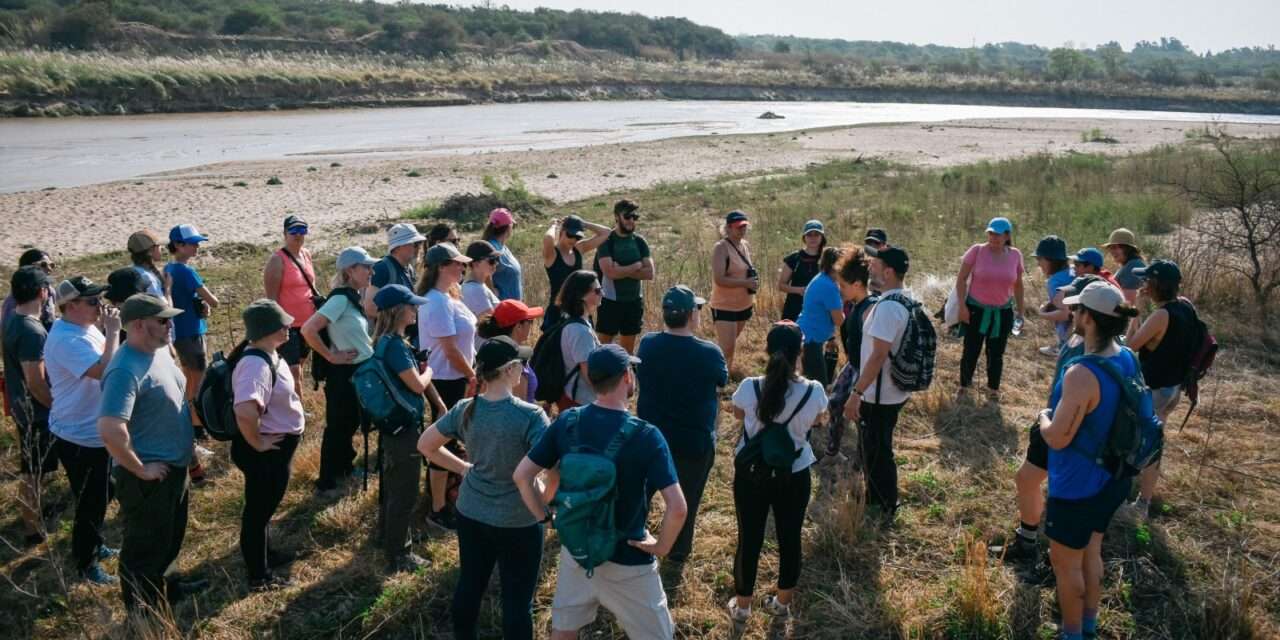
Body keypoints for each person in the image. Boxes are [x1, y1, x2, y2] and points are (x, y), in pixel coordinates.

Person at [513, 344, 687, 640]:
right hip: (629, 559)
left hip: (577, 550)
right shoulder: (647, 435)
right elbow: (678, 507)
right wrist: (661, 547)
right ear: (627, 378)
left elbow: (522, 476)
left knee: (564, 632)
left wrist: (545, 518)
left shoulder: (568, 421)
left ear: (591, 380)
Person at [418, 336, 552, 640]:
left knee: (470, 584)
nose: (523, 369)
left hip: (471, 511)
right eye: (521, 364)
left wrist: (465, 468)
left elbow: (426, 445)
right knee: (518, 601)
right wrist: (546, 498)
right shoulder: (530, 416)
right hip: (519, 519)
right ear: (509, 370)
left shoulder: (466, 408)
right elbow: (547, 466)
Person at [1038, 281, 1140, 640]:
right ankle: (1090, 622)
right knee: (1091, 551)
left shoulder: (1081, 374)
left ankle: (1071, 632)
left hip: (1078, 484)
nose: (1073, 314)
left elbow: (1057, 436)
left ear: (1089, 319)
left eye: (1078, 309)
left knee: (1066, 567)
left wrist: (1042, 417)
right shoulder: (1127, 356)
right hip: (1113, 477)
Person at [97, 294, 208, 612]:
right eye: (163, 320)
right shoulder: (124, 369)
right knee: (144, 549)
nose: (170, 324)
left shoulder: (157, 352)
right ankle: (143, 612)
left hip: (174, 467)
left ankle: (169, 590)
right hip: (148, 479)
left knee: (170, 537)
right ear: (138, 325)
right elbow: (110, 429)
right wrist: (139, 468)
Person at [990, 275, 1099, 570]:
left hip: (1070, 432)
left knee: (1063, 497)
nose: (1069, 309)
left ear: (1090, 313)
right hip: (1053, 419)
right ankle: (1027, 542)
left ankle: (1057, 565)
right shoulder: (1077, 338)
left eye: (1076, 305)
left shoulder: (1095, 350)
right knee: (1026, 479)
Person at [727, 322, 827, 623]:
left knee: (749, 538)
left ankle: (743, 607)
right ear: (800, 352)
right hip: (794, 473)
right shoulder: (814, 391)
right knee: (790, 537)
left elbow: (739, 415)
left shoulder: (749, 387)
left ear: (767, 349)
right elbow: (819, 422)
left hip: (751, 474)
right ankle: (782, 605)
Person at [635, 285, 728, 562]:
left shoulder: (648, 344)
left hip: (652, 439)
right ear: (691, 315)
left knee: (640, 495)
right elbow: (722, 382)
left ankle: (632, 538)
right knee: (686, 500)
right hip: (693, 441)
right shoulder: (709, 352)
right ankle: (677, 552)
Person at [45, 274, 122, 584]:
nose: (99, 305)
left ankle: (95, 543)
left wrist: (104, 330)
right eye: (92, 301)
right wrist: (114, 333)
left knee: (103, 492)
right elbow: (105, 370)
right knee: (92, 502)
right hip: (79, 435)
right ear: (71, 305)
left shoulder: (84, 328)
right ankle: (86, 563)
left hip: (92, 429)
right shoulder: (67, 339)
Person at [232, 300, 305, 591]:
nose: (288, 327)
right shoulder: (254, 364)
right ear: (265, 330)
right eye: (282, 324)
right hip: (266, 453)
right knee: (257, 512)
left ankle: (265, 555)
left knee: (263, 508)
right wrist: (258, 442)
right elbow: (246, 411)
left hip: (275, 450)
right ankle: (258, 575)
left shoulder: (269, 354)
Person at [844, 245, 916, 518]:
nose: (869, 270)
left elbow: (877, 357)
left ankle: (883, 504)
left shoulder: (886, 308)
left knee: (878, 451)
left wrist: (856, 393)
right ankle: (880, 498)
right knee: (877, 447)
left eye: (874, 266)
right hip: (893, 391)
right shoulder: (905, 299)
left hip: (879, 394)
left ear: (888, 272)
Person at [1125, 260, 1199, 520]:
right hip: (1173, 389)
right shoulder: (1186, 307)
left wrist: (1137, 309)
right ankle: (1141, 492)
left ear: (1156, 284)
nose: (1143, 284)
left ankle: (1141, 503)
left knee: (1147, 444)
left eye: (1146, 280)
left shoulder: (1161, 315)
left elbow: (1131, 345)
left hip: (1154, 390)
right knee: (1154, 440)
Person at [302, 247, 377, 494]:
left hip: (355, 371)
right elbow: (309, 330)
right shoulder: (341, 299)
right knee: (337, 426)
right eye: (366, 267)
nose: (371, 271)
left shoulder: (352, 296)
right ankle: (326, 483)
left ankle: (344, 468)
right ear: (350, 270)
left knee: (349, 423)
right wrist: (330, 356)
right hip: (342, 373)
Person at [370, 285, 434, 572]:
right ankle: (400, 554)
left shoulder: (386, 341)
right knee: (405, 491)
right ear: (398, 311)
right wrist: (429, 368)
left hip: (393, 424)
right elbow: (417, 385)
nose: (416, 310)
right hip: (404, 428)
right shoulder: (395, 346)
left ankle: (387, 537)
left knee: (393, 485)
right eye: (412, 306)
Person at [417, 242, 478, 530]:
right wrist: (472, 376)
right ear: (442, 266)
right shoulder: (436, 302)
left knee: (452, 440)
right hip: (446, 380)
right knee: (444, 441)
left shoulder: (447, 296)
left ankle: (447, 498)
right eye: (457, 263)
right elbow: (450, 349)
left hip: (456, 377)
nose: (462, 267)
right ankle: (438, 508)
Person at [3, 267, 62, 546]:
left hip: (22, 407)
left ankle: (33, 519)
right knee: (33, 472)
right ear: (42, 292)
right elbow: (36, 381)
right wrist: (57, 407)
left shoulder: (14, 320)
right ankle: (32, 529)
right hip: (36, 412)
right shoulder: (31, 330)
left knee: (33, 469)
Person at [954, 217, 1025, 401]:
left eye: (998, 234)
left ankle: (993, 388)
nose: (993, 238)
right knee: (971, 349)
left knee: (996, 352)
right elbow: (961, 279)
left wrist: (1021, 311)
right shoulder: (976, 251)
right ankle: (964, 385)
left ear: (1007, 235)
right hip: (976, 310)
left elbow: (1018, 285)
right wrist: (962, 306)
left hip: (1002, 312)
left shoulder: (1015, 255)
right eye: (991, 233)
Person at [824, 247, 878, 458]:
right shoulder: (855, 304)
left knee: (860, 416)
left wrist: (860, 387)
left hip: (865, 370)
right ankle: (833, 450)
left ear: (857, 285)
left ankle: (860, 462)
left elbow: (876, 352)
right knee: (836, 403)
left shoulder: (870, 309)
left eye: (843, 285)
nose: (840, 289)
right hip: (853, 365)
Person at [165, 225, 219, 437]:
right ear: (178, 245)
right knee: (198, 379)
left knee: (189, 377)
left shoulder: (168, 269)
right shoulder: (186, 271)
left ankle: (192, 423)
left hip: (179, 332)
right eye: (193, 243)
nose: (197, 247)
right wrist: (206, 303)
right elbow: (212, 301)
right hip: (191, 330)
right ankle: (197, 426)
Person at [264, 215, 319, 400]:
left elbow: (311, 285)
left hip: (309, 323)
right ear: (285, 234)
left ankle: (292, 404)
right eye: (293, 231)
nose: (298, 235)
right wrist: (279, 325)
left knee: (300, 366)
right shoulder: (277, 260)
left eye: (302, 231)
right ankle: (298, 414)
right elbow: (271, 299)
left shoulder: (306, 254)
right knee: (293, 371)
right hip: (288, 325)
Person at [596, 199, 655, 354]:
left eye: (634, 217)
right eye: (627, 216)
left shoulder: (640, 241)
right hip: (610, 301)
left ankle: (626, 377)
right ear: (616, 217)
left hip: (634, 302)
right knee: (603, 348)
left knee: (627, 352)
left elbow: (650, 273)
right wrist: (636, 266)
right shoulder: (607, 241)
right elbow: (610, 273)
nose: (631, 220)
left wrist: (621, 269)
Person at [541, 215, 610, 331]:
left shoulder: (579, 249)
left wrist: (583, 223)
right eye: (570, 235)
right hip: (558, 312)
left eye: (578, 236)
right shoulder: (552, 254)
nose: (573, 240)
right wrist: (555, 225)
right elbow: (548, 238)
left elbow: (606, 233)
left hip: (580, 310)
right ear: (562, 232)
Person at [710, 211, 758, 375]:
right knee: (727, 348)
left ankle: (723, 374)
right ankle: (718, 382)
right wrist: (745, 283)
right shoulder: (721, 248)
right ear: (728, 228)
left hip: (744, 305)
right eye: (738, 227)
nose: (742, 230)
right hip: (724, 306)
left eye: (744, 226)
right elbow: (719, 279)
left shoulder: (744, 245)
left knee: (728, 346)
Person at [476, 299, 545, 403]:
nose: (532, 325)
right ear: (518, 326)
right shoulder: (515, 363)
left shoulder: (490, 352)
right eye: (530, 321)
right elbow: (519, 409)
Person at [554, 270, 604, 411]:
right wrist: (607, 396)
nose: (602, 294)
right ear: (582, 296)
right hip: (580, 402)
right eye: (598, 291)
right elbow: (588, 373)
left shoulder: (575, 321)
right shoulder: (580, 331)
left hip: (575, 398)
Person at [795, 247, 844, 387]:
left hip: (808, 336)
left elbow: (821, 313)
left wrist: (830, 337)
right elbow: (838, 320)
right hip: (810, 341)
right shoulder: (829, 286)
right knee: (818, 386)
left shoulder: (822, 279)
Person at [367, 222, 426, 317]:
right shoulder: (382, 268)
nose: (419, 248)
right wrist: (396, 323)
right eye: (415, 244)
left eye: (420, 243)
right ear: (397, 248)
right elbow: (370, 308)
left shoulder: (409, 268)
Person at [1, 249, 57, 341]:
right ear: (28, 268)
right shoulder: (13, 301)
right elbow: (7, 333)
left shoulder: (50, 292)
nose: (49, 269)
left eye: (52, 265)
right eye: (43, 265)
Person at [777, 220, 826, 322]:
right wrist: (800, 290)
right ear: (804, 238)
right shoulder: (794, 258)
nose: (813, 238)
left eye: (816, 234)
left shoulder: (827, 259)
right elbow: (781, 285)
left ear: (822, 237)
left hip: (819, 309)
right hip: (794, 308)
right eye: (809, 235)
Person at [1032, 235, 1074, 357]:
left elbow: (1066, 315)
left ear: (1051, 260)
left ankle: (1062, 346)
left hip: (1070, 340)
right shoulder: (1073, 271)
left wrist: (1042, 314)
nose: (1038, 264)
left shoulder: (1054, 281)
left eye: (1040, 259)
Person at [1101, 227, 1145, 335]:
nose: (1112, 251)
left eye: (1115, 247)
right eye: (1111, 248)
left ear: (1127, 249)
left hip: (1130, 328)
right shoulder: (1129, 265)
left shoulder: (1133, 267)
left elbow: (1129, 303)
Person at [484, 208, 524, 301]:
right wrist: (492, 292)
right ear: (509, 227)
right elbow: (484, 273)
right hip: (504, 308)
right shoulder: (492, 247)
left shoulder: (501, 246)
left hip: (512, 307)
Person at [461, 241, 501, 324]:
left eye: (497, 259)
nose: (496, 263)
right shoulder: (475, 290)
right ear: (476, 264)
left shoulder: (478, 286)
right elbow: (491, 324)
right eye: (491, 261)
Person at [126, 231, 168, 300]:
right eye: (158, 246)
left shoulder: (132, 271)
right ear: (150, 251)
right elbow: (163, 307)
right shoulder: (148, 278)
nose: (162, 248)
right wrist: (168, 289)